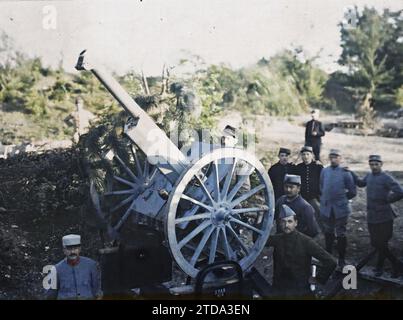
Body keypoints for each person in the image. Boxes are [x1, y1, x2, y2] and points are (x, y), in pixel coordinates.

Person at [266, 205, 337, 298]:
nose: (286, 225)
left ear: (296, 223)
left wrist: (318, 279)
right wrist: (259, 218)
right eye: (283, 222)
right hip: (279, 290)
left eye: (289, 221)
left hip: (300, 291)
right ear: (279, 223)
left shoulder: (306, 241)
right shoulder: (277, 239)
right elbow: (259, 241)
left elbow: (331, 261)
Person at [352, 155, 403, 277]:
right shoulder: (369, 175)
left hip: (385, 217)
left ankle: (390, 266)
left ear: (381, 164)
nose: (374, 166)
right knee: (377, 244)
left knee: (381, 243)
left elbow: (400, 191)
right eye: (372, 164)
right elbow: (361, 183)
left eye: (376, 164)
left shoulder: (386, 177)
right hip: (372, 216)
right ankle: (395, 265)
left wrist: (388, 200)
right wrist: (351, 174)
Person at [320, 149, 357, 268]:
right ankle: (328, 257)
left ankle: (341, 259)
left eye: (336, 157)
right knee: (328, 232)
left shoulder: (345, 173)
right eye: (331, 157)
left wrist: (341, 199)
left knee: (341, 233)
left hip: (340, 209)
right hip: (327, 208)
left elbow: (352, 191)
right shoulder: (325, 171)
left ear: (340, 159)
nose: (333, 159)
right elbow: (321, 186)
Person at [46, 234, 102, 300]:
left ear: (80, 249)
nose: (72, 252)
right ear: (64, 250)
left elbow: (97, 291)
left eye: (75, 248)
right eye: (69, 249)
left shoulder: (91, 265)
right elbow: (50, 295)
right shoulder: (55, 270)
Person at [295, 146, 324, 231]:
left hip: (314, 197)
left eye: (308, 154)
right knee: (300, 216)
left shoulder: (318, 167)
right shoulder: (298, 167)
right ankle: (302, 233)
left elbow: (324, 178)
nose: (306, 156)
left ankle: (326, 234)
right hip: (302, 197)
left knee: (320, 215)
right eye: (303, 154)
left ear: (312, 155)